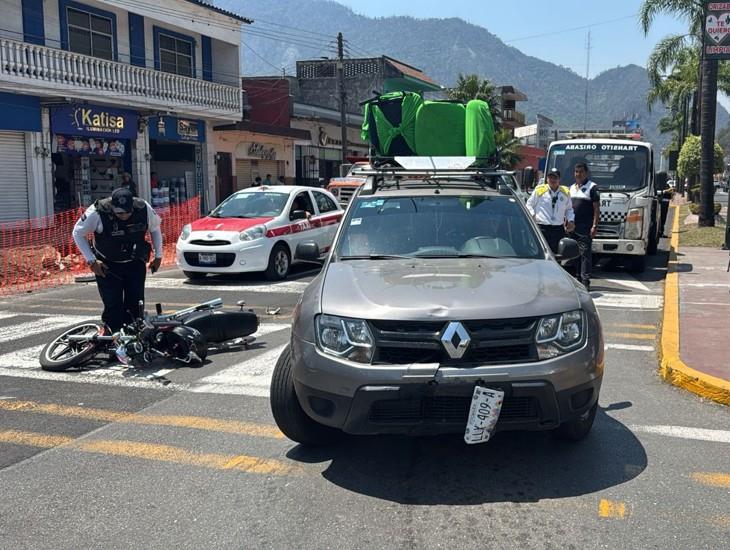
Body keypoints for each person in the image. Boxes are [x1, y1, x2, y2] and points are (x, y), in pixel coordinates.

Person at [72, 188, 163, 335]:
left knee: (135, 302)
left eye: (128, 212)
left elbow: (155, 228)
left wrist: (158, 256)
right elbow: (77, 232)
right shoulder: (97, 212)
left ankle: (134, 337)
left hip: (134, 263)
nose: (124, 216)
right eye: (120, 213)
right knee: (112, 304)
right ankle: (112, 336)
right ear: (113, 207)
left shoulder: (143, 207)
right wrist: (92, 261)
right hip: (107, 265)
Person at [526, 168, 575, 254]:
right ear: (547, 179)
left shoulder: (565, 192)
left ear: (559, 179)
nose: (552, 180)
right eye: (550, 177)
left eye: (555, 178)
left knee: (557, 255)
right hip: (542, 228)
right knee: (542, 254)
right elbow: (529, 204)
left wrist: (571, 220)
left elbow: (569, 209)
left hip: (558, 229)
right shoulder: (539, 190)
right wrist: (533, 215)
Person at [569, 162, 600, 291]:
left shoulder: (592, 187)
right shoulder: (571, 187)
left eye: (581, 172)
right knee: (573, 254)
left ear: (586, 173)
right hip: (572, 227)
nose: (578, 174)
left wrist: (594, 226)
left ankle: (585, 280)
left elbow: (597, 209)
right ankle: (577, 278)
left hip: (585, 227)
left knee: (585, 254)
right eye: (576, 172)